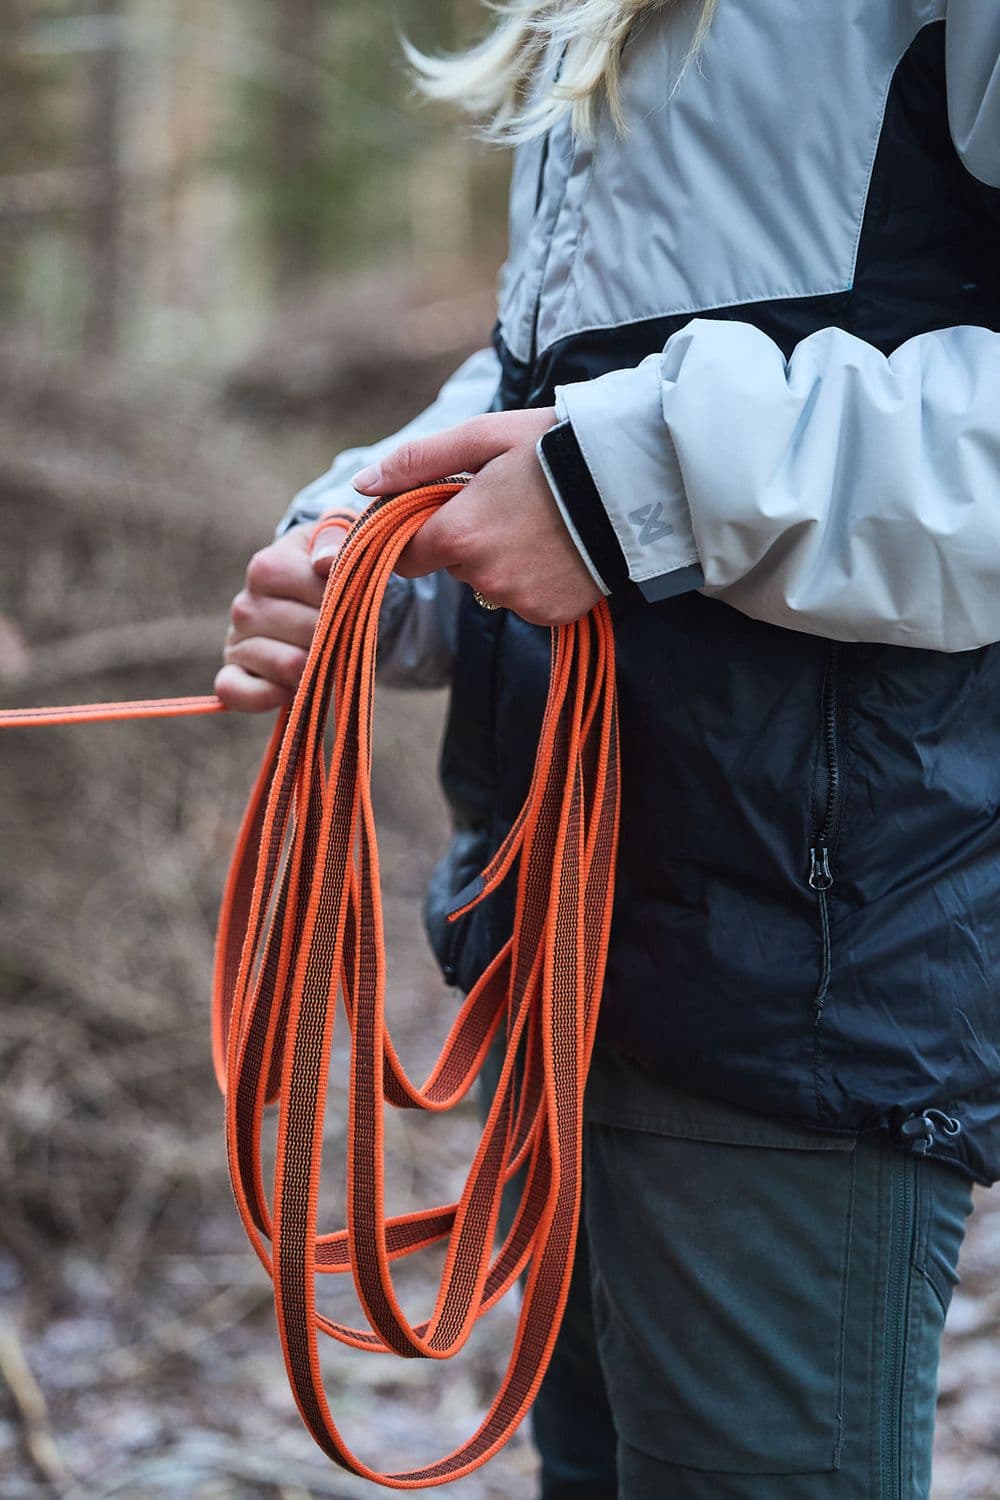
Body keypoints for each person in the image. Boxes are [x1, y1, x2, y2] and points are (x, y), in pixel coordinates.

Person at [216, 2, 1000, 1495]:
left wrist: (620, 491)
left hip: (808, 966)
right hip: (569, 950)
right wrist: (380, 550)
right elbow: (567, 367)